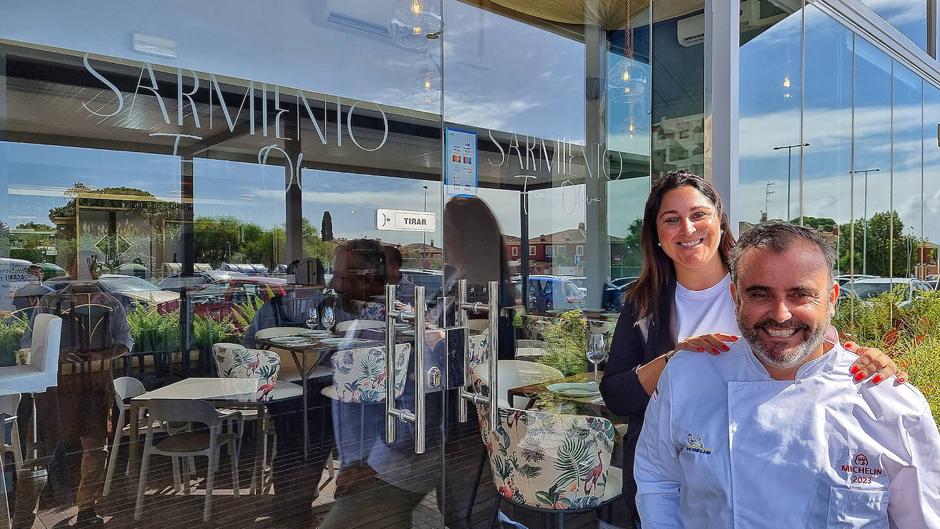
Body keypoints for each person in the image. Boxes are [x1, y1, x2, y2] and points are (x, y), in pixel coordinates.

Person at [599, 170, 902, 526]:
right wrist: (675, 359)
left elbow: (822, 354)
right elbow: (617, 397)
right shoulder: (643, 304)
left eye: (699, 215)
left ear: (720, 221)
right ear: (657, 235)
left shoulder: (766, 284)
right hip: (676, 477)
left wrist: (872, 362)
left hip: (779, 474)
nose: (687, 229)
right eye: (671, 219)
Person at [634, 222, 940, 527]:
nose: (781, 314)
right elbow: (657, 482)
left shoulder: (889, 402)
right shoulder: (688, 377)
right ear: (735, 297)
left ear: (832, 299)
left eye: (800, 295)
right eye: (759, 295)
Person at [18, 255, 132, 527]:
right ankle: (23, 518)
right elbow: (28, 342)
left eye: (88, 267)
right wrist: (56, 354)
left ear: (97, 271)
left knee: (96, 449)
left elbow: (126, 341)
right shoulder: (50, 303)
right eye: (76, 266)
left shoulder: (112, 304)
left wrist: (99, 355)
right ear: (69, 269)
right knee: (42, 449)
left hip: (94, 385)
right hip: (56, 385)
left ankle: (87, 509)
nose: (81, 272)